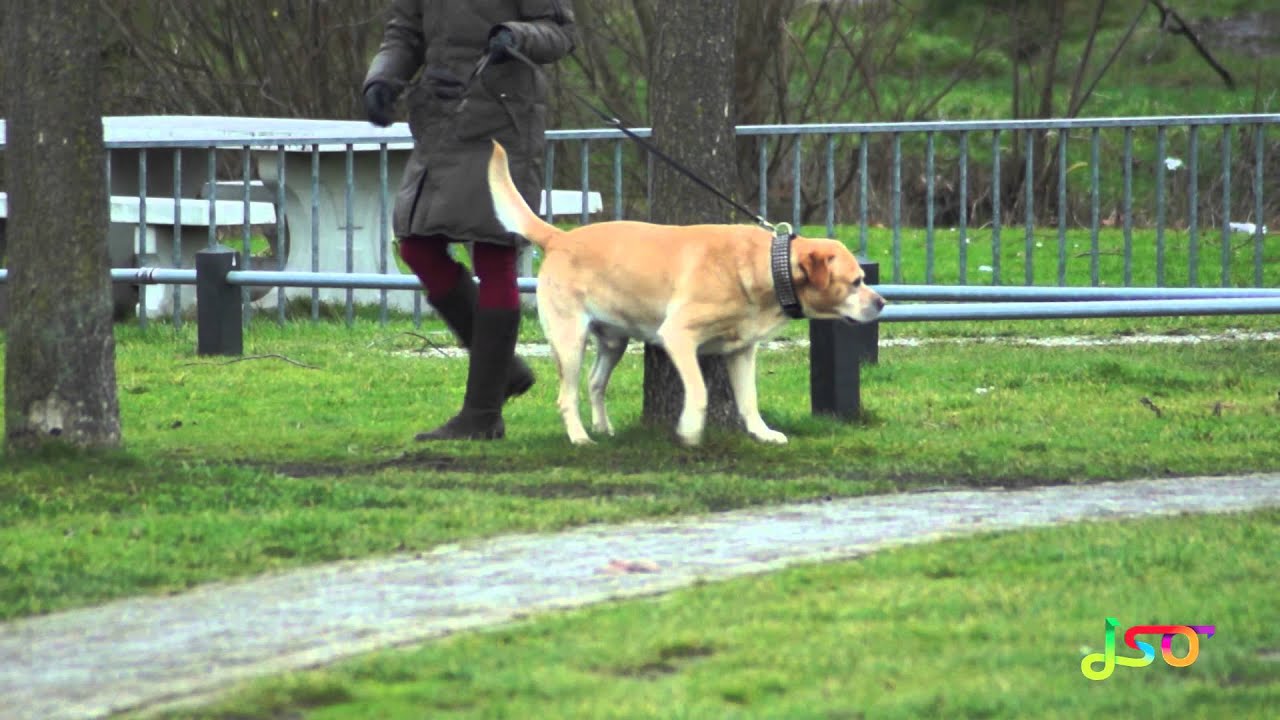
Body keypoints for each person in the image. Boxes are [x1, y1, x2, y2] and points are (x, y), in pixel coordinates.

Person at [362, 1, 576, 441]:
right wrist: (381, 79)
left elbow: (560, 32)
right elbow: (404, 33)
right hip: (441, 115)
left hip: (503, 117)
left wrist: (516, 35)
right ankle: (504, 369)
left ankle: (481, 414)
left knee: (495, 252)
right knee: (416, 244)